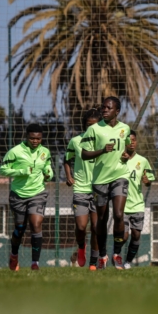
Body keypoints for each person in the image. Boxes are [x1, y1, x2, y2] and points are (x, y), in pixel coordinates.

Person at [81, 96, 131, 270]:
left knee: (119, 214)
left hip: (120, 175)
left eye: (109, 108)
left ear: (117, 111)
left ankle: (117, 254)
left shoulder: (125, 128)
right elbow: (84, 154)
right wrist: (102, 150)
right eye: (103, 107)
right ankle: (102, 255)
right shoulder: (94, 129)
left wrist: (127, 155)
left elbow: (128, 148)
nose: (105, 110)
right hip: (100, 179)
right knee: (101, 219)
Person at [1, 123, 53, 271]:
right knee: (20, 229)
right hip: (18, 195)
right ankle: (14, 254)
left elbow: (48, 167)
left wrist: (49, 174)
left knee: (36, 224)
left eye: (38, 139)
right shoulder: (15, 152)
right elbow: (2, 169)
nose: (35, 141)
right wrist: (22, 171)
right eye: (32, 138)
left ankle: (35, 263)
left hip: (38, 193)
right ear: (26, 137)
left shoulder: (45, 152)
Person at [64, 108, 101, 270]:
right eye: (88, 125)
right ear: (84, 125)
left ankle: (93, 261)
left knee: (96, 228)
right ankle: (81, 247)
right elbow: (67, 159)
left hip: (99, 189)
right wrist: (68, 176)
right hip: (80, 189)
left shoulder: (104, 142)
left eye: (95, 125)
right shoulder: (75, 141)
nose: (91, 128)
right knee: (81, 227)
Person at [122, 130, 155, 269]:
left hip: (137, 205)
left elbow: (149, 179)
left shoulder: (143, 161)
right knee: (123, 236)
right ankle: (115, 254)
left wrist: (147, 181)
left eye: (134, 140)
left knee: (136, 236)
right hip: (122, 205)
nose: (132, 143)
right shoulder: (119, 159)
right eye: (129, 141)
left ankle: (127, 262)